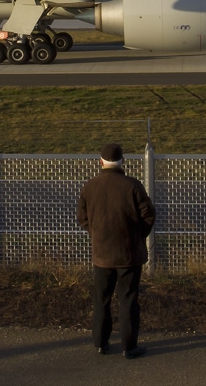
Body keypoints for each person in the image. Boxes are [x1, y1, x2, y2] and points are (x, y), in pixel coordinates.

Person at [76, 142, 156, 359]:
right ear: (123, 162)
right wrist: (138, 236)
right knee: (128, 299)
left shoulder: (90, 187)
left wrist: (97, 234)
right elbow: (148, 215)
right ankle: (128, 347)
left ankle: (101, 342)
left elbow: (82, 218)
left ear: (100, 162)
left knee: (101, 298)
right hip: (129, 254)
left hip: (102, 254)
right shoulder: (133, 186)